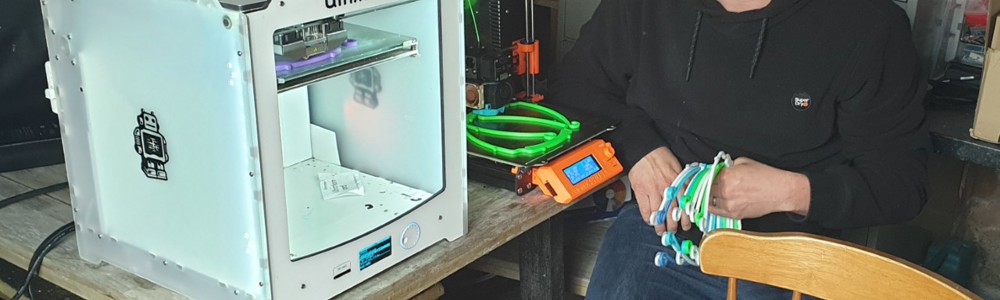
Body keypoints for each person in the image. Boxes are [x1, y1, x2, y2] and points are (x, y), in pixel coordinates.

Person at [545, 0, 930, 298]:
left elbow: (900, 183)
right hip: (660, 237)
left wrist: (789, 192)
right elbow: (576, 87)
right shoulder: (643, 7)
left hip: (788, 254)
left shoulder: (869, 26)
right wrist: (637, 150)